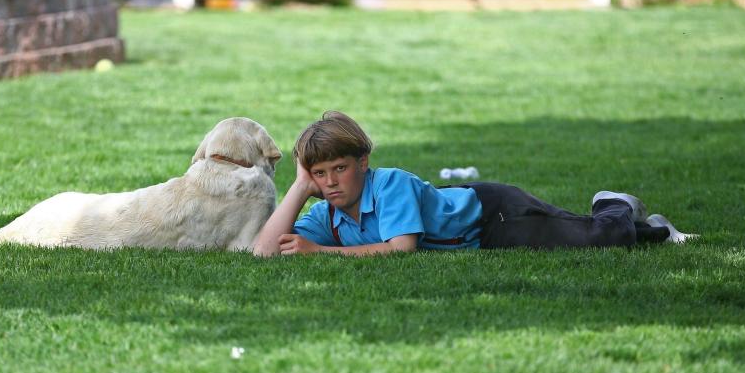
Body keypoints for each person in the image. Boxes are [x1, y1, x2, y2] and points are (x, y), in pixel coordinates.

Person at [253, 111, 698, 257]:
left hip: (493, 215)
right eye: (320, 173)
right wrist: (297, 188)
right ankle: (649, 226)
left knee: (593, 239)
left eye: (340, 168)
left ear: (363, 162)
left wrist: (321, 253)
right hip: (477, 236)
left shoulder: (389, 185)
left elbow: (401, 248)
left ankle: (616, 203)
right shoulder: (325, 212)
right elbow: (263, 254)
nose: (331, 182)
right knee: (582, 234)